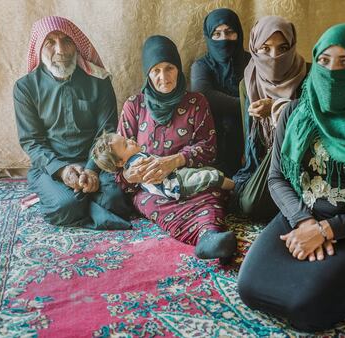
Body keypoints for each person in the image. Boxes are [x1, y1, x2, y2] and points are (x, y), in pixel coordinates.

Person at [237, 24, 345, 331]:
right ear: (314, 61)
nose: (332, 71)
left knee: (308, 311)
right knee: (249, 289)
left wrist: (327, 230)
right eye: (325, 60)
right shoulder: (294, 113)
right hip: (299, 218)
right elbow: (276, 178)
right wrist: (305, 223)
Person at [116, 35, 237, 262]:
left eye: (170, 68)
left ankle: (211, 236)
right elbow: (118, 157)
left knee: (210, 192)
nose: (164, 77)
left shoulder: (196, 102)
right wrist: (129, 174)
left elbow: (208, 148)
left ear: (178, 68)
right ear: (148, 74)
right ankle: (203, 238)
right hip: (152, 188)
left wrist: (173, 161)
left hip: (189, 175)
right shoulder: (134, 106)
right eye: (156, 70)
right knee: (149, 202)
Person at [13, 16, 131, 230]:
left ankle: (89, 205)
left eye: (66, 40)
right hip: (51, 165)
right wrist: (62, 171)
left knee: (116, 201)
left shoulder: (99, 80)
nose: (61, 50)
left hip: (97, 162)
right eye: (50, 42)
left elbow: (106, 132)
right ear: (39, 48)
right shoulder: (25, 88)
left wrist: (92, 170)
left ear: (76, 44)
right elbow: (32, 142)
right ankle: (90, 207)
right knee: (65, 206)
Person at [232, 16, 308, 220]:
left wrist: (276, 108)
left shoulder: (309, 76)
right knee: (247, 204)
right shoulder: (247, 83)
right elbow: (249, 138)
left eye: (283, 48)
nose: (274, 56)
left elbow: (314, 124)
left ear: (292, 46)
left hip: (301, 156)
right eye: (265, 48)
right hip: (268, 160)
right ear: (254, 48)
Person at [190, 8, 250, 177]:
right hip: (215, 144)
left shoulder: (252, 62)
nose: (224, 39)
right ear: (209, 37)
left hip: (250, 138)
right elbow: (204, 96)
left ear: (239, 33)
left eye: (230, 32)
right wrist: (247, 104)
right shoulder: (201, 66)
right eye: (217, 34)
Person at [92, 131, 235, 199]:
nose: (131, 140)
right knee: (210, 176)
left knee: (207, 170)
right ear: (120, 162)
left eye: (126, 139)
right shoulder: (136, 163)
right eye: (125, 144)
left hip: (176, 177)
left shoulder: (134, 159)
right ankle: (236, 187)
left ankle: (230, 189)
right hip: (176, 185)